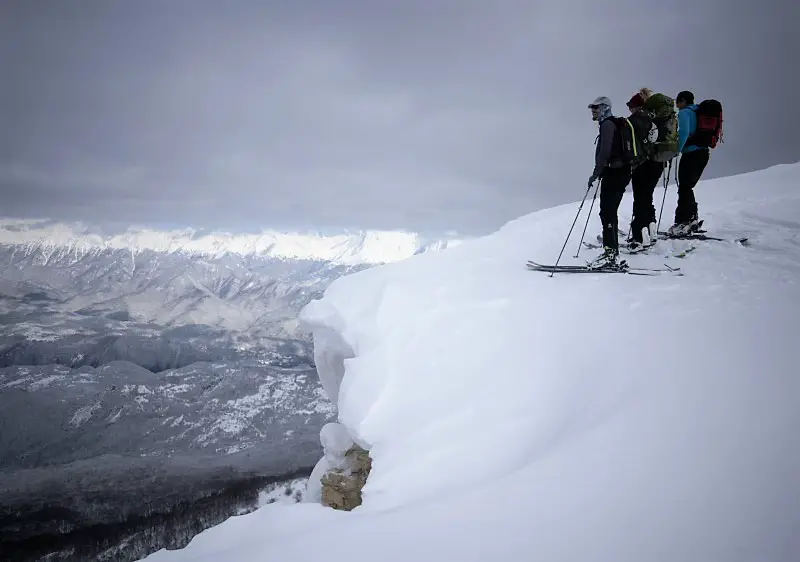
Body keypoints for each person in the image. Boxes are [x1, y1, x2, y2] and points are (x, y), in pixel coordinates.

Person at [587, 96, 631, 265]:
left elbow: (605, 151)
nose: (593, 111)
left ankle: (610, 253)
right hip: (621, 171)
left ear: (605, 108)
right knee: (610, 211)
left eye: (596, 108)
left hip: (614, 172)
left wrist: (596, 173)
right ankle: (611, 250)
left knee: (607, 212)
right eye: (593, 108)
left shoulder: (607, 125)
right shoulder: (613, 124)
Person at [626, 89, 664, 250]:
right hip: (657, 163)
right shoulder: (654, 119)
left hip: (642, 164)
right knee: (647, 197)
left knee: (640, 198)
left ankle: (639, 238)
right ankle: (651, 228)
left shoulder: (634, 120)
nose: (630, 109)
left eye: (631, 106)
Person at [669, 90, 711, 236]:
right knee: (688, 187)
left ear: (683, 101)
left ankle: (684, 221)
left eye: (677, 101)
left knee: (685, 187)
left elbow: (684, 132)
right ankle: (691, 219)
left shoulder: (685, 112)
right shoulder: (698, 111)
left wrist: (677, 150)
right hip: (703, 153)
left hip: (691, 153)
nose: (676, 105)